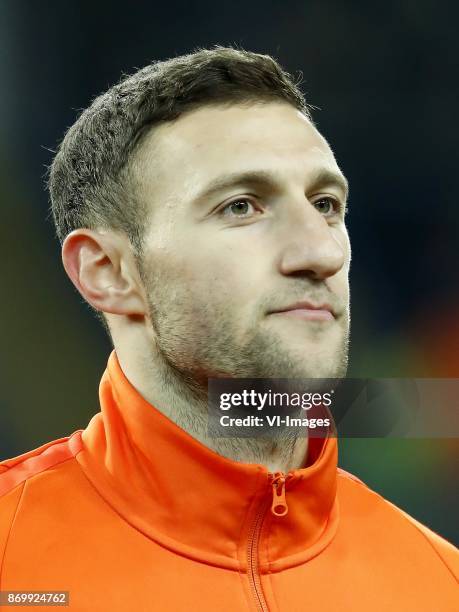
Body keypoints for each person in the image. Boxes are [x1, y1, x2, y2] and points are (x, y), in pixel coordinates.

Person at [0, 47, 457, 611]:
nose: (320, 251)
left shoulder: (441, 582)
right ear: (110, 273)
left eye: (326, 204)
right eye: (241, 206)